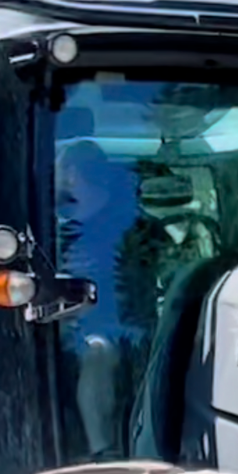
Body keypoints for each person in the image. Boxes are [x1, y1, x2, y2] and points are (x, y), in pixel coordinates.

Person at [55, 137, 164, 456]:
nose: (56, 180)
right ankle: (101, 449)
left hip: (137, 323)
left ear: (74, 174)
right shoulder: (56, 231)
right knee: (97, 351)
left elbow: (168, 272)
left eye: (60, 171)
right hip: (75, 327)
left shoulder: (137, 226)